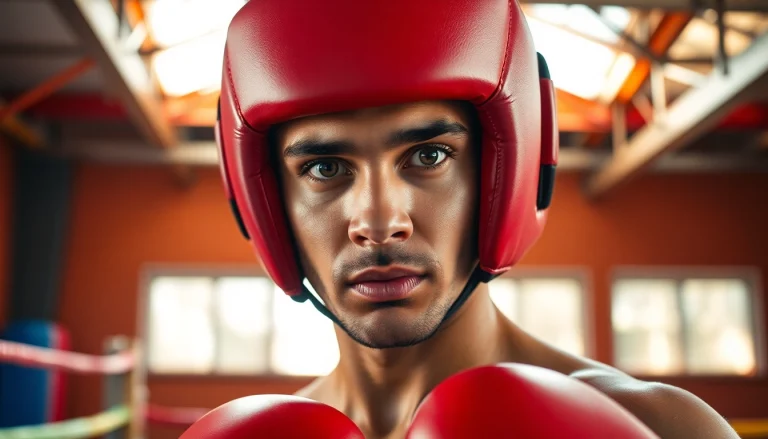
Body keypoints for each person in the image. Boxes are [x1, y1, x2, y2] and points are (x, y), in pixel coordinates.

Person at [184, 1, 740, 438]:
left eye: (428, 156)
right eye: (325, 167)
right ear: (264, 201)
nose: (379, 222)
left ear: (505, 175)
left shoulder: (664, 428)